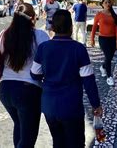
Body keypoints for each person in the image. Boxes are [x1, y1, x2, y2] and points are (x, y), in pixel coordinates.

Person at [31, 10, 102, 148]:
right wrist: (96, 104)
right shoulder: (79, 49)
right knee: (76, 143)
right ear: (71, 27)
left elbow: (34, 74)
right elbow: (88, 81)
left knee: (58, 141)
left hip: (49, 106)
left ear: (53, 28)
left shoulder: (43, 48)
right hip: (71, 106)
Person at [0, 3, 50, 148]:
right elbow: (49, 61)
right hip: (28, 90)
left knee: (19, 126)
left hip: (5, 89)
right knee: (28, 138)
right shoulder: (40, 36)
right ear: (33, 19)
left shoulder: (4, 35)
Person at [90, 0, 117, 86]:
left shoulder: (114, 15)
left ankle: (103, 67)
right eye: (106, 2)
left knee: (109, 57)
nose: (108, 4)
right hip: (103, 38)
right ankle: (109, 76)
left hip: (113, 38)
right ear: (102, 4)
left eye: (109, 2)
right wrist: (92, 39)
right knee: (108, 56)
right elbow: (94, 27)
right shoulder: (99, 14)